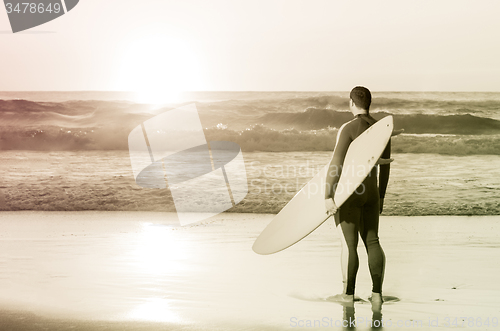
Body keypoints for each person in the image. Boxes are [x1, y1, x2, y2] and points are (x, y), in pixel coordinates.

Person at [324, 86, 399, 304]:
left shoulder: (348, 128)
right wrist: (381, 196)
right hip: (372, 192)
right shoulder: (382, 128)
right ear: (369, 103)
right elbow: (385, 167)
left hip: (351, 191)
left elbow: (336, 164)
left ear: (351, 103)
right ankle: (377, 296)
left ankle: (348, 295)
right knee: (373, 241)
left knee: (349, 245)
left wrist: (328, 195)